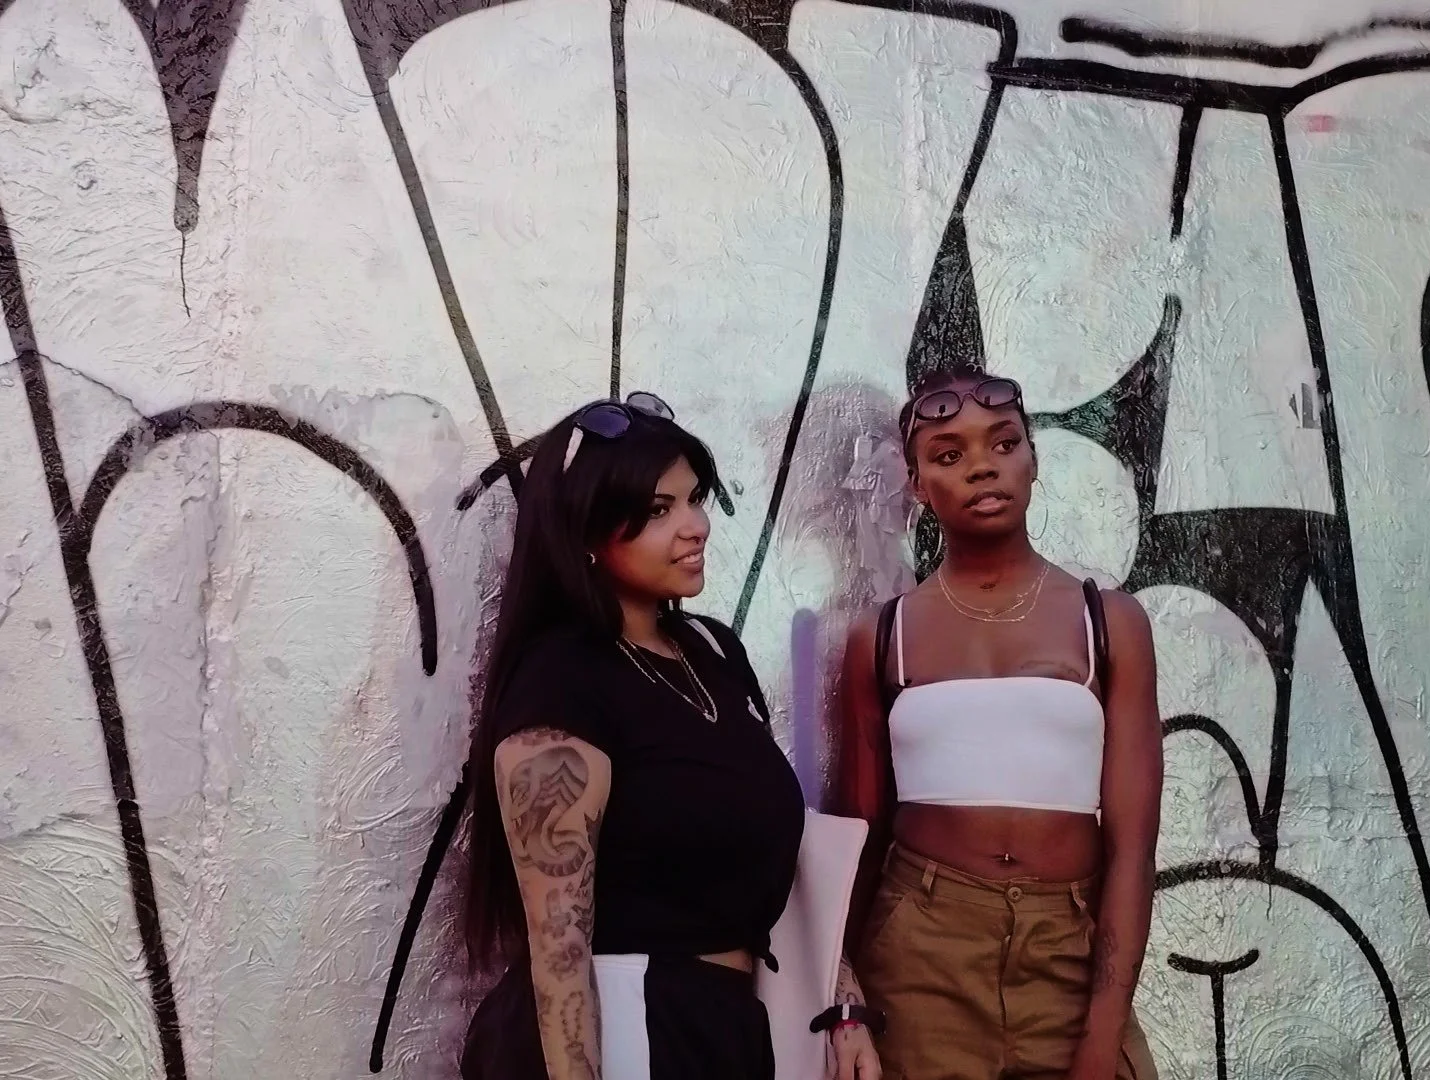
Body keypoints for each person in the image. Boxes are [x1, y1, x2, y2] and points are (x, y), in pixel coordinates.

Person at [458, 393, 882, 1080]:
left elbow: (769, 853)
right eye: (659, 510)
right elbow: (558, 945)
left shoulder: (712, 653)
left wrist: (844, 1005)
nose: (695, 526)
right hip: (630, 1023)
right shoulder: (562, 679)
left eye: (694, 499)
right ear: (585, 532)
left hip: (726, 1027)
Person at [829, 371, 1164, 1080]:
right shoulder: (882, 636)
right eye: (948, 455)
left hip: (1070, 951)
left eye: (1004, 443)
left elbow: (1132, 851)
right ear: (917, 485)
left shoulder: (1108, 622)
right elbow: (858, 836)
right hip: (921, 957)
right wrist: (844, 997)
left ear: (1033, 461)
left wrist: (1103, 1034)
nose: (982, 465)